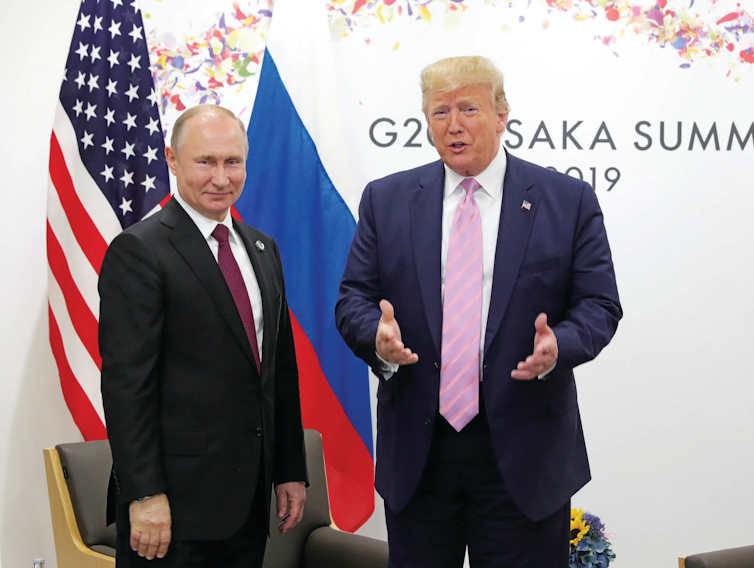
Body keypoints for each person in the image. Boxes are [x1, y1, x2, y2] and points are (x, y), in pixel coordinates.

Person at [335, 56, 622, 567]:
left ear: (501, 114)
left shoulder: (566, 200)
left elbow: (599, 304)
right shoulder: (387, 200)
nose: (454, 125)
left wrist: (560, 345)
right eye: (440, 112)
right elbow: (353, 298)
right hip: (420, 454)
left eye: (468, 108)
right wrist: (376, 337)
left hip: (526, 454)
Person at [99, 104, 307, 567]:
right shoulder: (139, 251)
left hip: (249, 503)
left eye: (233, 162)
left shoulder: (262, 248)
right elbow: (127, 387)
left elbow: (279, 370)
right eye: (205, 162)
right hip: (172, 508)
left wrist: (290, 469)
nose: (221, 178)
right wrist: (144, 493)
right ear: (172, 160)